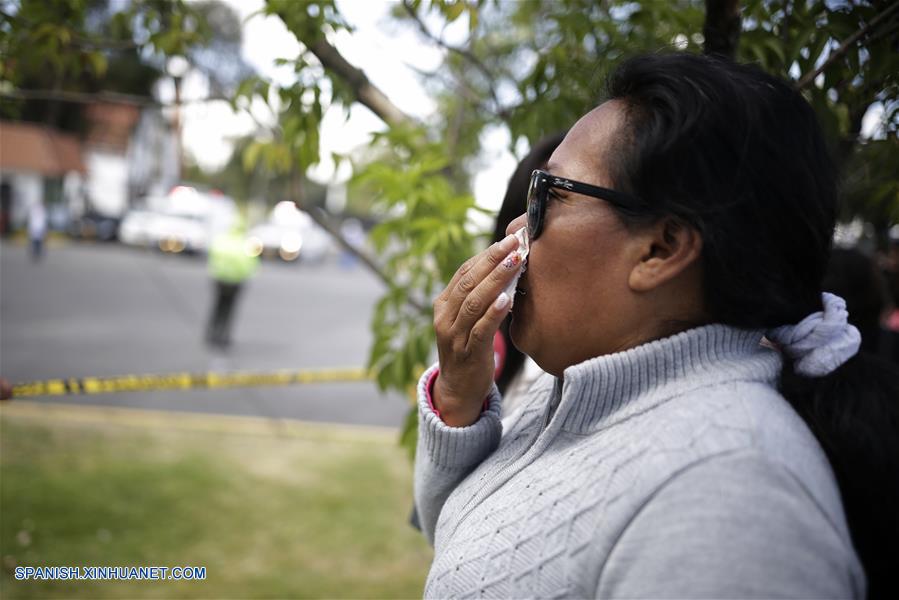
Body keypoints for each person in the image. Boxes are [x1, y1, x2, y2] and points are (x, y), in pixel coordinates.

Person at [415, 53, 899, 599]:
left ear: (661, 248)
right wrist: (458, 397)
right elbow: (468, 549)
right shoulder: (574, 390)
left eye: (548, 193)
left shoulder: (727, 501)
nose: (517, 227)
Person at [205, 220, 259, 348]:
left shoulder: (221, 240)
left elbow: (212, 256)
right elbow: (251, 264)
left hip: (220, 279)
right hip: (236, 282)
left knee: (218, 306)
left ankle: (211, 333)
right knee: (229, 309)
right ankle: (224, 336)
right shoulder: (246, 244)